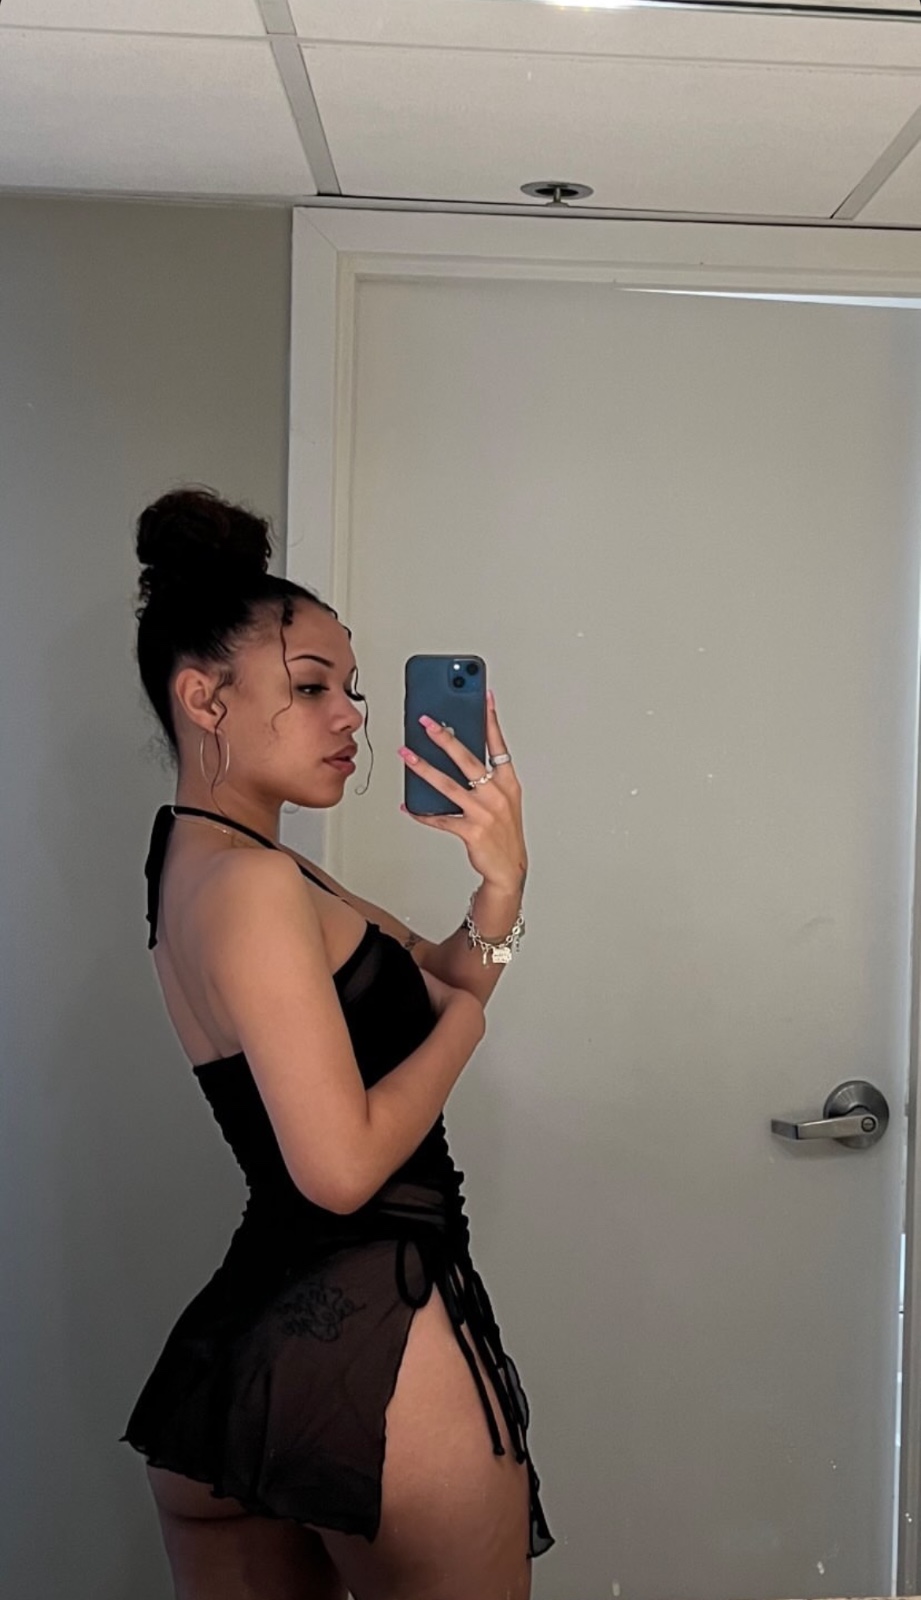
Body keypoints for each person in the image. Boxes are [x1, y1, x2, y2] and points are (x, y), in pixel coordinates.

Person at [121, 487, 553, 1600]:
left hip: (236, 1365)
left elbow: (446, 969)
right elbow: (343, 1166)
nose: (352, 716)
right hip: (377, 1337)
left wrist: (502, 884)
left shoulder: (212, 860)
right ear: (203, 697)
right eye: (311, 686)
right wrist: (470, 1023)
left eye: (351, 688)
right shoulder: (258, 885)